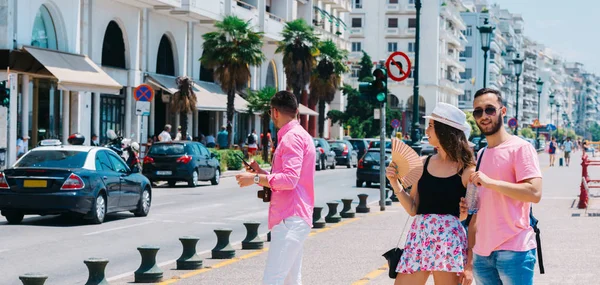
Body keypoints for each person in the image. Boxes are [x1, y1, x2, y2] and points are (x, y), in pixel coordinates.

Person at [387, 103, 475, 285]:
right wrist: (394, 183)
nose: (426, 130)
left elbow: (474, 216)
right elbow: (413, 208)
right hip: (420, 236)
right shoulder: (422, 163)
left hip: (449, 241)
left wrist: (470, 264)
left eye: (431, 126)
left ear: (445, 131)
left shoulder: (467, 170)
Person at [235, 90, 315, 285]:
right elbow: (290, 176)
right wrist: (260, 172)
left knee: (273, 280)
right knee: (289, 280)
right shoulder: (300, 135)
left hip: (290, 217)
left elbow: (289, 180)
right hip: (295, 216)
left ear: (275, 112)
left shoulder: (291, 138)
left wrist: (254, 178)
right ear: (296, 111)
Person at [465, 88, 542, 285]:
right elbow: (483, 205)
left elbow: (534, 192)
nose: (484, 116)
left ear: (503, 111)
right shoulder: (481, 153)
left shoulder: (521, 148)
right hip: (482, 253)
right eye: (478, 111)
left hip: (514, 249)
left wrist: (491, 183)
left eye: (490, 109)